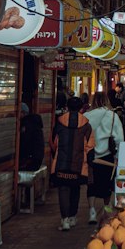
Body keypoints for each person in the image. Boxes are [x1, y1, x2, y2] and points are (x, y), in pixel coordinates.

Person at [50, 96, 94, 228]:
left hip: (61, 163)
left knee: (63, 189)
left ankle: (65, 220)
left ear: (67, 107)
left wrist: (55, 156)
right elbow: (90, 147)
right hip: (79, 164)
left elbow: (53, 143)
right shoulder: (87, 126)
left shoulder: (59, 123)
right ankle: (73, 217)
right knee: (75, 189)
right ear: (81, 108)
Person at [86, 90, 125, 225]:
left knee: (91, 183)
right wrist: (119, 155)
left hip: (90, 156)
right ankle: (105, 210)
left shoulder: (86, 115)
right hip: (107, 156)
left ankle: (91, 211)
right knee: (107, 184)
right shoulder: (112, 116)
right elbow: (119, 138)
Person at [18, 101, 45, 172]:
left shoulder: (27, 124)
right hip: (36, 159)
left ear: (23, 113)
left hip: (31, 161)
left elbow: (24, 142)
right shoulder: (33, 122)